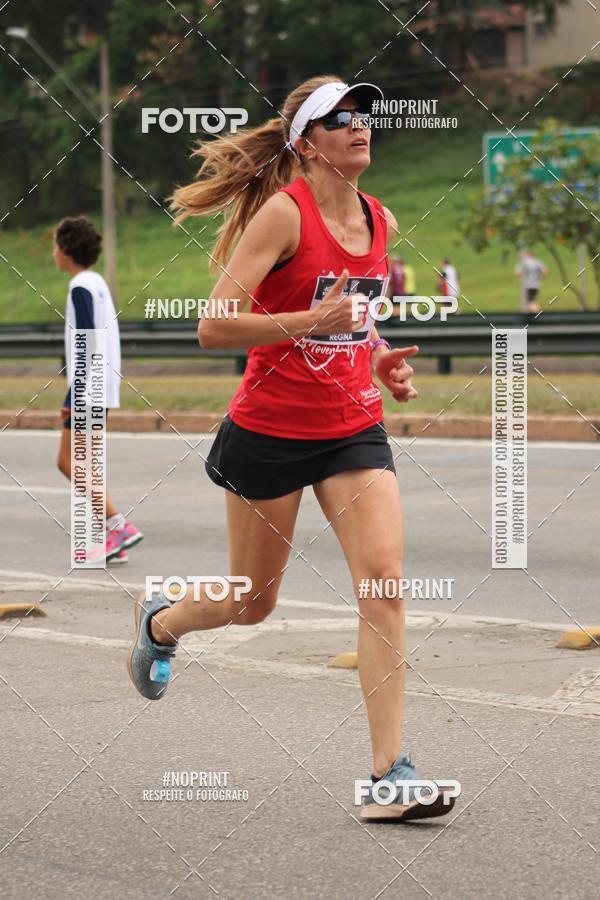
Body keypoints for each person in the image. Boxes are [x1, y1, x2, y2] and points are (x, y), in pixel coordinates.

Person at [127, 76, 457, 822]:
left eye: (364, 113)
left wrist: (377, 360)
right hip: (270, 432)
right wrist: (309, 319)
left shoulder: (382, 220)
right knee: (252, 604)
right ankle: (161, 621)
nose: (359, 125)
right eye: (338, 118)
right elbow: (213, 326)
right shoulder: (283, 215)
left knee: (385, 582)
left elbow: (354, 320)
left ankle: (388, 774)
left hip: (351, 428)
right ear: (307, 143)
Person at [53, 216, 143, 563]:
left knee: (68, 461)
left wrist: (72, 397)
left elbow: (86, 340)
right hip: (102, 384)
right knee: (85, 462)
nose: (54, 252)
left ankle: (117, 526)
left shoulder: (80, 287)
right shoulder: (97, 282)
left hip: (88, 387)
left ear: (65, 251)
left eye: (55, 246)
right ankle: (110, 537)